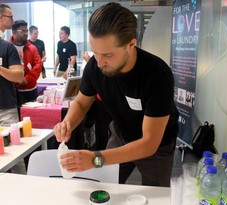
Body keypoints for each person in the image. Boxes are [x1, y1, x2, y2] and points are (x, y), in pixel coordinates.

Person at [54, 2, 179, 187]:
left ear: (131, 44)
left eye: (108, 55)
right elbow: (81, 103)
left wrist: (96, 159)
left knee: (156, 198)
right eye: (95, 53)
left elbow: (149, 143)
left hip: (157, 145)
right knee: (106, 187)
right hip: (121, 134)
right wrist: (68, 123)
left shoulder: (157, 75)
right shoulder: (94, 67)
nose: (99, 62)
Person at [0, 4, 26, 174]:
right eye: (10, 17)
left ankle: (25, 193)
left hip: (5, 109)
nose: (13, 21)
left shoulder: (7, 47)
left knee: (15, 155)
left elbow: (18, 76)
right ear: (1, 18)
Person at [9, 20, 42, 105]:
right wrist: (16, 79)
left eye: (26, 31)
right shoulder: (7, 48)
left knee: (31, 116)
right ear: (14, 32)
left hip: (30, 90)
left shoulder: (32, 48)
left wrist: (26, 79)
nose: (26, 33)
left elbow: (38, 66)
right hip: (11, 91)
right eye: (23, 31)